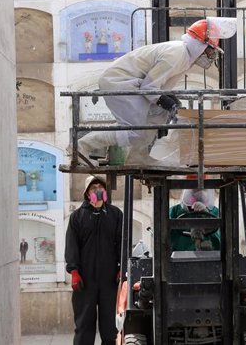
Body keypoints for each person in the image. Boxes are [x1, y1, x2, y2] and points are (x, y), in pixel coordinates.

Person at [77, 18, 233, 164]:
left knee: (158, 113)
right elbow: (149, 87)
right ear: (199, 45)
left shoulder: (184, 57)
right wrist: (170, 104)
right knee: (135, 132)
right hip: (120, 82)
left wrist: (171, 102)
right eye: (210, 50)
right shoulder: (177, 54)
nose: (211, 55)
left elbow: (159, 86)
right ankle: (82, 146)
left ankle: (138, 157)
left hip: (131, 82)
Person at [65, 175, 123, 345]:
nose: (98, 190)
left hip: (110, 280)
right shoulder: (77, 217)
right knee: (84, 327)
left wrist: (122, 267)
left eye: (101, 187)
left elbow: (122, 242)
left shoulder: (115, 214)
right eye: (93, 187)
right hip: (85, 280)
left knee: (110, 328)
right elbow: (71, 245)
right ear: (86, 192)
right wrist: (74, 271)